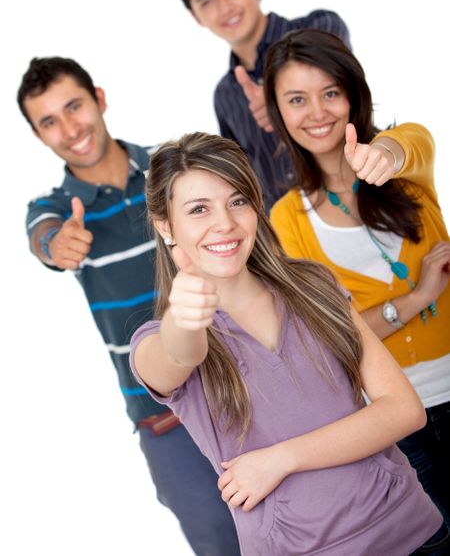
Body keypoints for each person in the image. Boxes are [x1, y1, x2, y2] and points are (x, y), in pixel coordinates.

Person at [129, 131, 447, 556]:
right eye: (199, 209)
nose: (224, 222)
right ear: (165, 225)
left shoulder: (313, 285)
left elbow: (404, 410)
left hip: (413, 531)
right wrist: (184, 318)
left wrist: (279, 459)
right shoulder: (157, 340)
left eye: (237, 200)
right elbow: (178, 353)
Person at [18, 57, 240, 556]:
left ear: (99, 98)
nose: (69, 128)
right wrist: (56, 245)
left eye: (74, 107)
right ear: (38, 135)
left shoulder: (173, 167)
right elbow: (44, 236)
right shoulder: (53, 209)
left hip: (241, 386)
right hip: (164, 421)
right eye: (49, 121)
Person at [265, 29, 450, 528]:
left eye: (330, 92)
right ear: (278, 113)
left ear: (353, 93)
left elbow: (409, 143)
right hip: (399, 420)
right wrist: (419, 297)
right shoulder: (289, 218)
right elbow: (340, 334)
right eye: (296, 99)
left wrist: (384, 155)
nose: (317, 111)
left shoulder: (406, 162)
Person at [174, 0, 351, 210]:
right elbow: (243, 182)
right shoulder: (226, 95)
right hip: (289, 243)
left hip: (364, 205)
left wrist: (281, 106)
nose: (225, 7)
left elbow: (350, 104)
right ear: (196, 16)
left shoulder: (321, 28)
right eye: (207, 1)